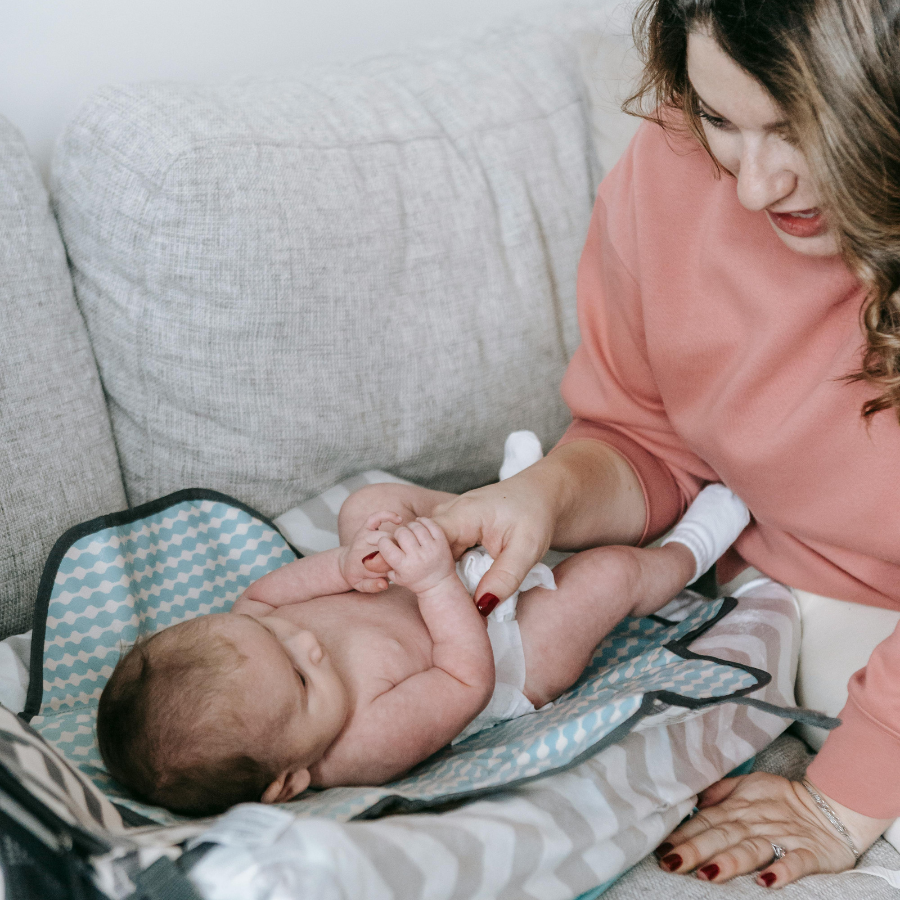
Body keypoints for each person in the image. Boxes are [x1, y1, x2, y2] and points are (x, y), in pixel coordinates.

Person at [428, 0, 900, 888]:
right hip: (782, 598)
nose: (755, 186)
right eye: (723, 118)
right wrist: (546, 498)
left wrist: (840, 800)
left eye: (799, 130)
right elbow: (645, 436)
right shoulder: (671, 168)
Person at [95, 482, 747, 816]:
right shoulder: (359, 748)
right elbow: (463, 679)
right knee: (605, 578)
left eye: (267, 634)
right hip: (506, 647)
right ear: (289, 781)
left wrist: (350, 564)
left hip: (427, 578)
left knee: (369, 504)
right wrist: (435, 583)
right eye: (299, 678)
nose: (305, 639)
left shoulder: (258, 624)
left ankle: (506, 498)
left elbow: (266, 596)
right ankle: (686, 553)